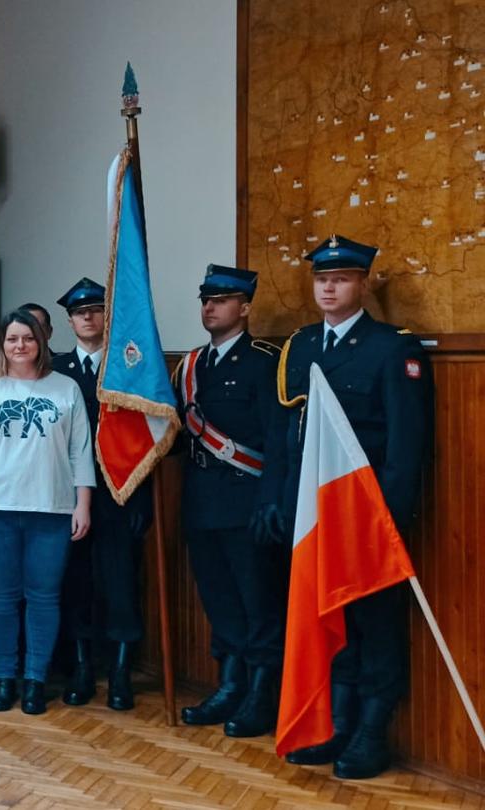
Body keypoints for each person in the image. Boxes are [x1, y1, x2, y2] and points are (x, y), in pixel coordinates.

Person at [278, 236, 431, 780]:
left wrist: (388, 519)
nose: (328, 288)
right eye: (321, 279)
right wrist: (285, 500)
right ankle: (338, 723)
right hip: (318, 514)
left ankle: (372, 731)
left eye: (341, 279)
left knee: (376, 623)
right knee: (331, 615)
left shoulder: (391, 349)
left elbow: (406, 445)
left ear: (362, 284)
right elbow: (295, 436)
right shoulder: (303, 346)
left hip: (366, 517)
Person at [0, 308, 95, 716]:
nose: (21, 345)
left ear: (41, 342)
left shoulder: (65, 388)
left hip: (52, 510)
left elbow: (80, 450)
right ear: (2, 343)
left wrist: (83, 504)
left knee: (44, 597)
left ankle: (35, 679)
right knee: (1, 597)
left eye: (28, 338)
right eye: (13, 338)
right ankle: (4, 676)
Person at [172, 264, 287, 738]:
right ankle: (231, 683)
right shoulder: (191, 366)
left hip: (248, 501)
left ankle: (262, 692)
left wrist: (272, 499)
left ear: (244, 307)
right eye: (205, 300)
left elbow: (279, 438)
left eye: (220, 301)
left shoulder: (265, 361)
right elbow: (178, 436)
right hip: (202, 500)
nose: (209, 308)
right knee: (219, 598)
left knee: (258, 601)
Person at [52, 277, 153, 711]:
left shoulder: (130, 366)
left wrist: (141, 499)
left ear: (107, 316)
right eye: (80, 312)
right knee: (75, 583)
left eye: (95, 310)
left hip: (118, 494)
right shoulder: (54, 370)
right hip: (65, 495)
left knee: (120, 585)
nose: (88, 317)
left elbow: (149, 438)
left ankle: (120, 672)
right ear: (70, 321)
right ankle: (81, 668)